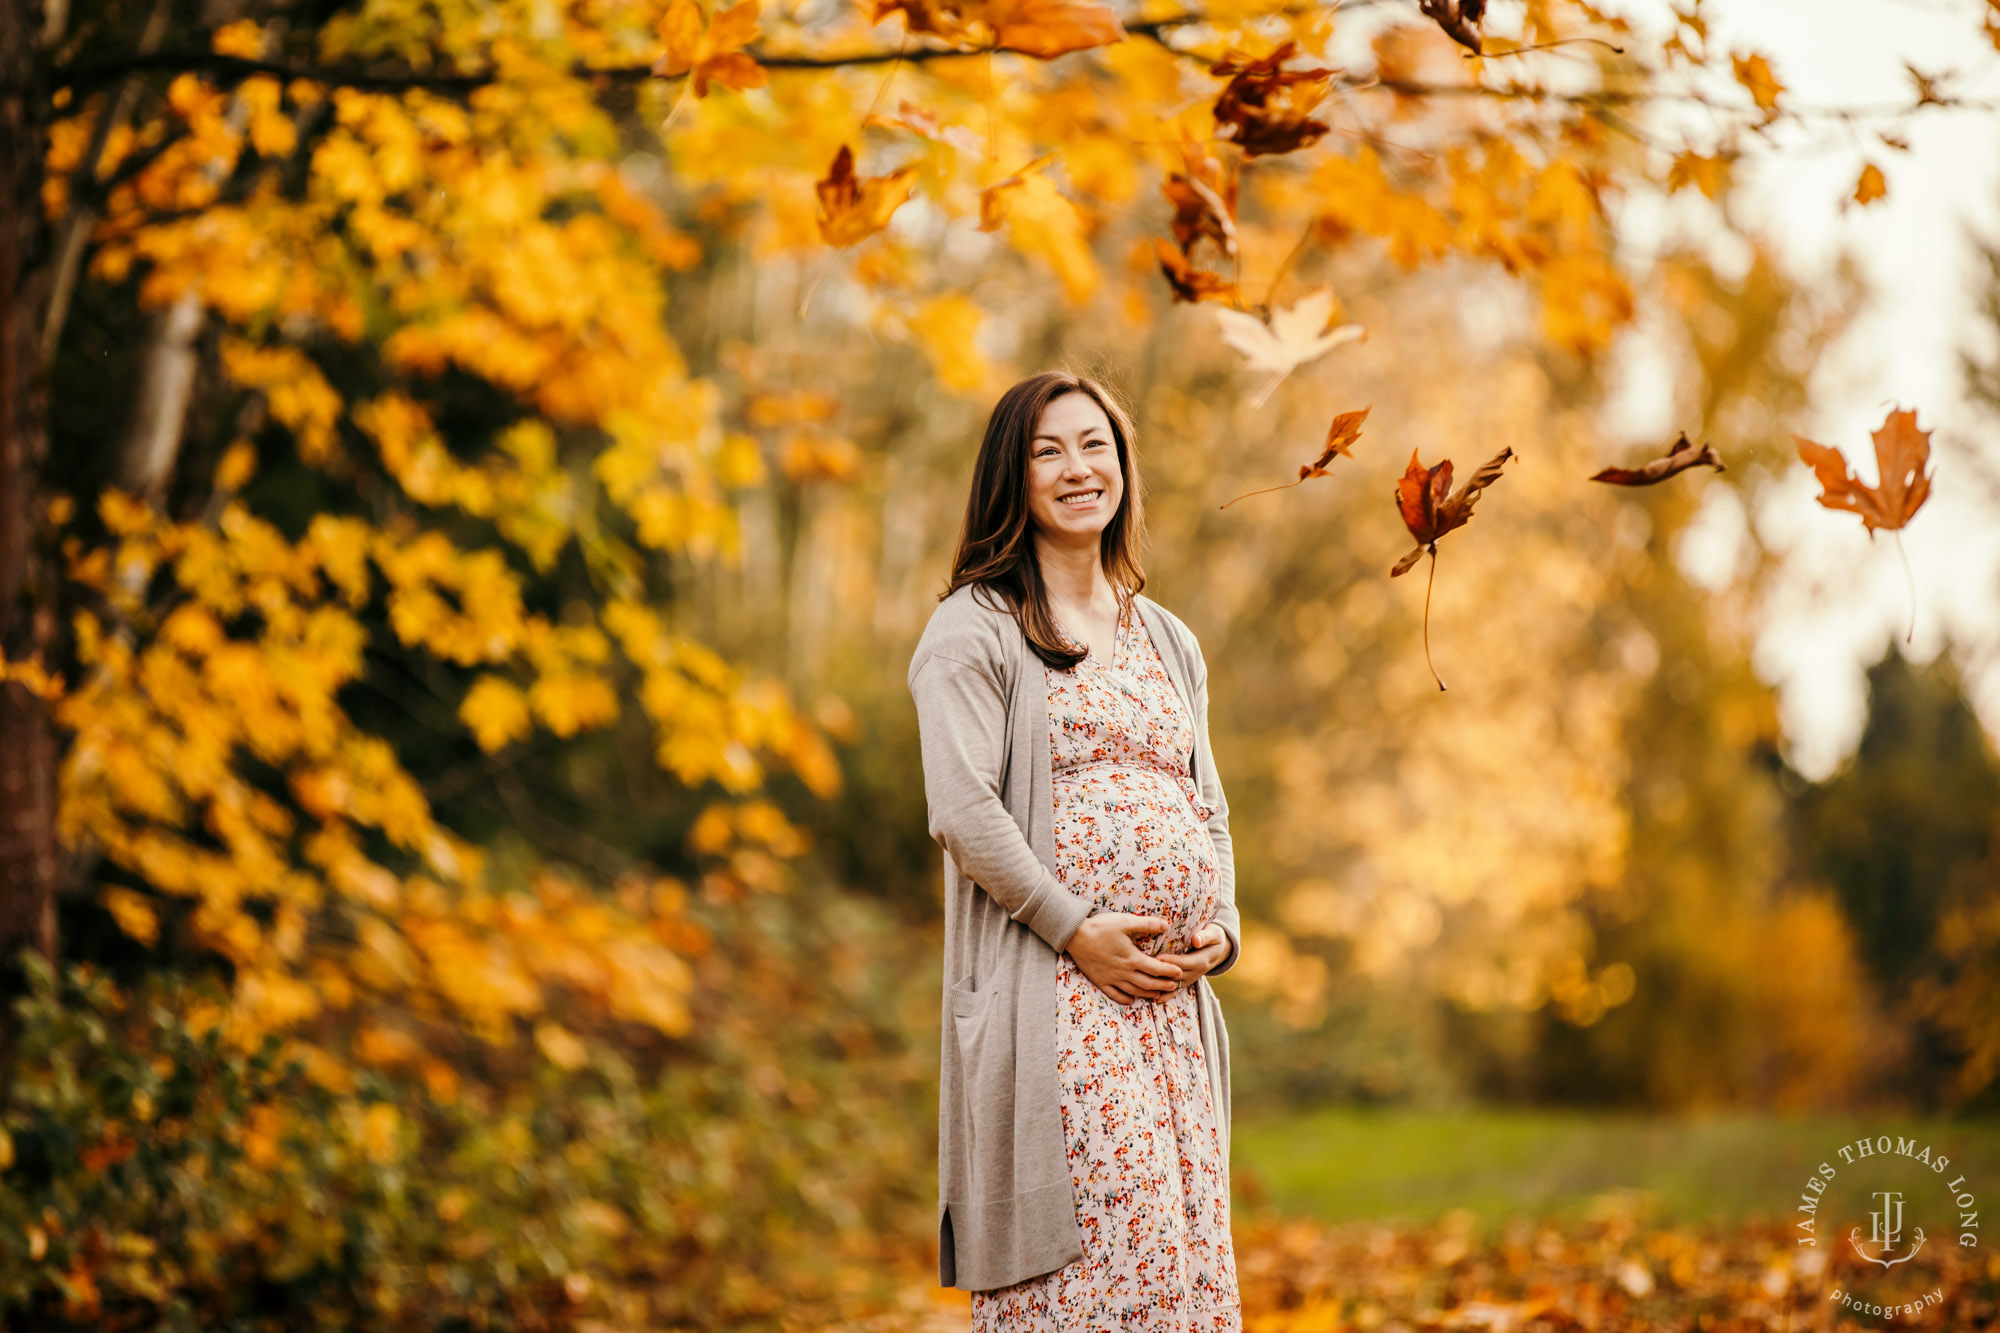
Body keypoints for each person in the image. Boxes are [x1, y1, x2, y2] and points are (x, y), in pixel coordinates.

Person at [906, 369, 1244, 1329]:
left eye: (1095, 444)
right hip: (1058, 1004)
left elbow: (1207, 806)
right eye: (1048, 450)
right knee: (1093, 1281)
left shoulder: (1168, 639)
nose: (1077, 467)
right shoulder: (973, 631)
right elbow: (963, 810)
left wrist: (1220, 926)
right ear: (1011, 478)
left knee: (1178, 1274)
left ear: (1124, 467)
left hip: (1172, 1013)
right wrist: (1077, 929)